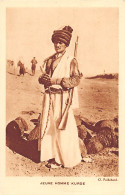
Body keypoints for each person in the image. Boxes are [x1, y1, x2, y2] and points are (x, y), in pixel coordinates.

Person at [28, 26, 83, 168]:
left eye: (61, 43)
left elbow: (76, 80)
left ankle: (66, 159)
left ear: (66, 44)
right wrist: (43, 79)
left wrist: (58, 81)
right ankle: (51, 155)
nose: (57, 45)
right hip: (49, 97)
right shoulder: (49, 60)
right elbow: (44, 77)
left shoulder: (71, 60)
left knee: (63, 128)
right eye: (56, 42)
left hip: (62, 98)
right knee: (49, 127)